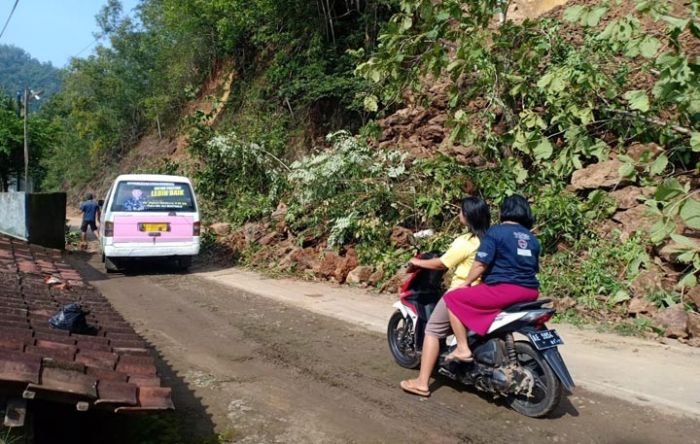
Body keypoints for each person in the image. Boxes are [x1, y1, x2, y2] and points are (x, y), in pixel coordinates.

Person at [400, 196, 490, 397]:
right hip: (484, 293)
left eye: (461, 211)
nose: (459, 214)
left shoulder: (467, 241)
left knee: (432, 330)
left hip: (461, 292)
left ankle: (422, 383)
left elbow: (442, 263)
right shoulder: (491, 239)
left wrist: (418, 262)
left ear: (468, 216)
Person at [442, 194, 541, 363]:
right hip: (530, 292)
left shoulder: (496, 231)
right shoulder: (532, 238)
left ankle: (462, 348)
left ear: (504, 211)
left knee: (452, 298)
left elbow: (481, 264)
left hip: (504, 290)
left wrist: (465, 283)